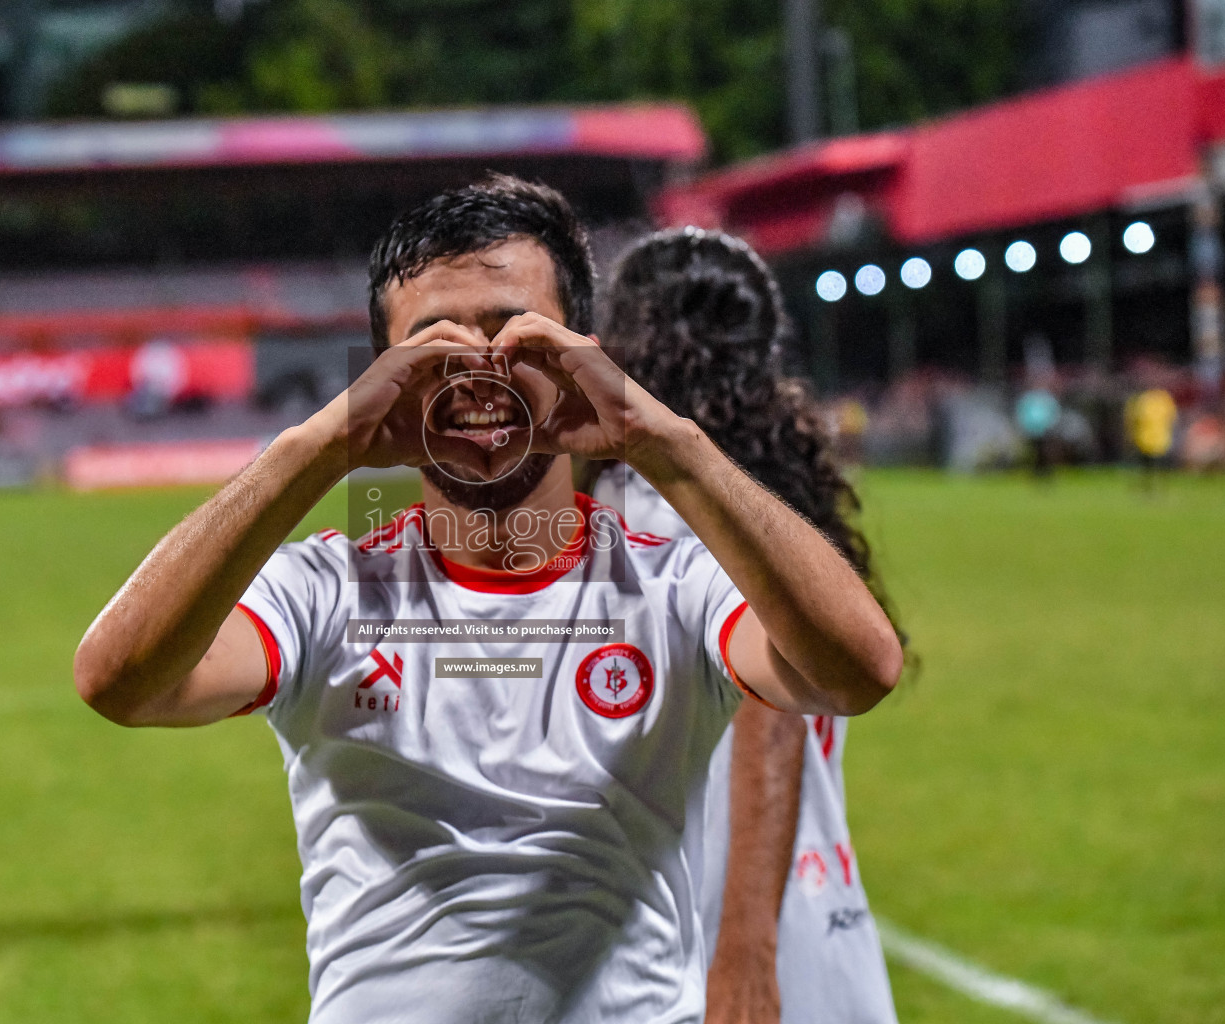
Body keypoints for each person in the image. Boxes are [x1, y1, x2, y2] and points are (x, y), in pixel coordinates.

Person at [73, 176, 902, 1024]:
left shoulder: (672, 583)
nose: (477, 372)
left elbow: (859, 671)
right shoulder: (321, 591)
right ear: (382, 374)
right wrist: (313, 452)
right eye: (433, 344)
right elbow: (120, 681)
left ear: (582, 354)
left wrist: (666, 442)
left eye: (514, 334)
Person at [596, 227, 901, 1024]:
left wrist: (744, 952)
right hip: (823, 911)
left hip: (721, 932)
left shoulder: (664, 502)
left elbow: (773, 715)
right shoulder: (776, 505)